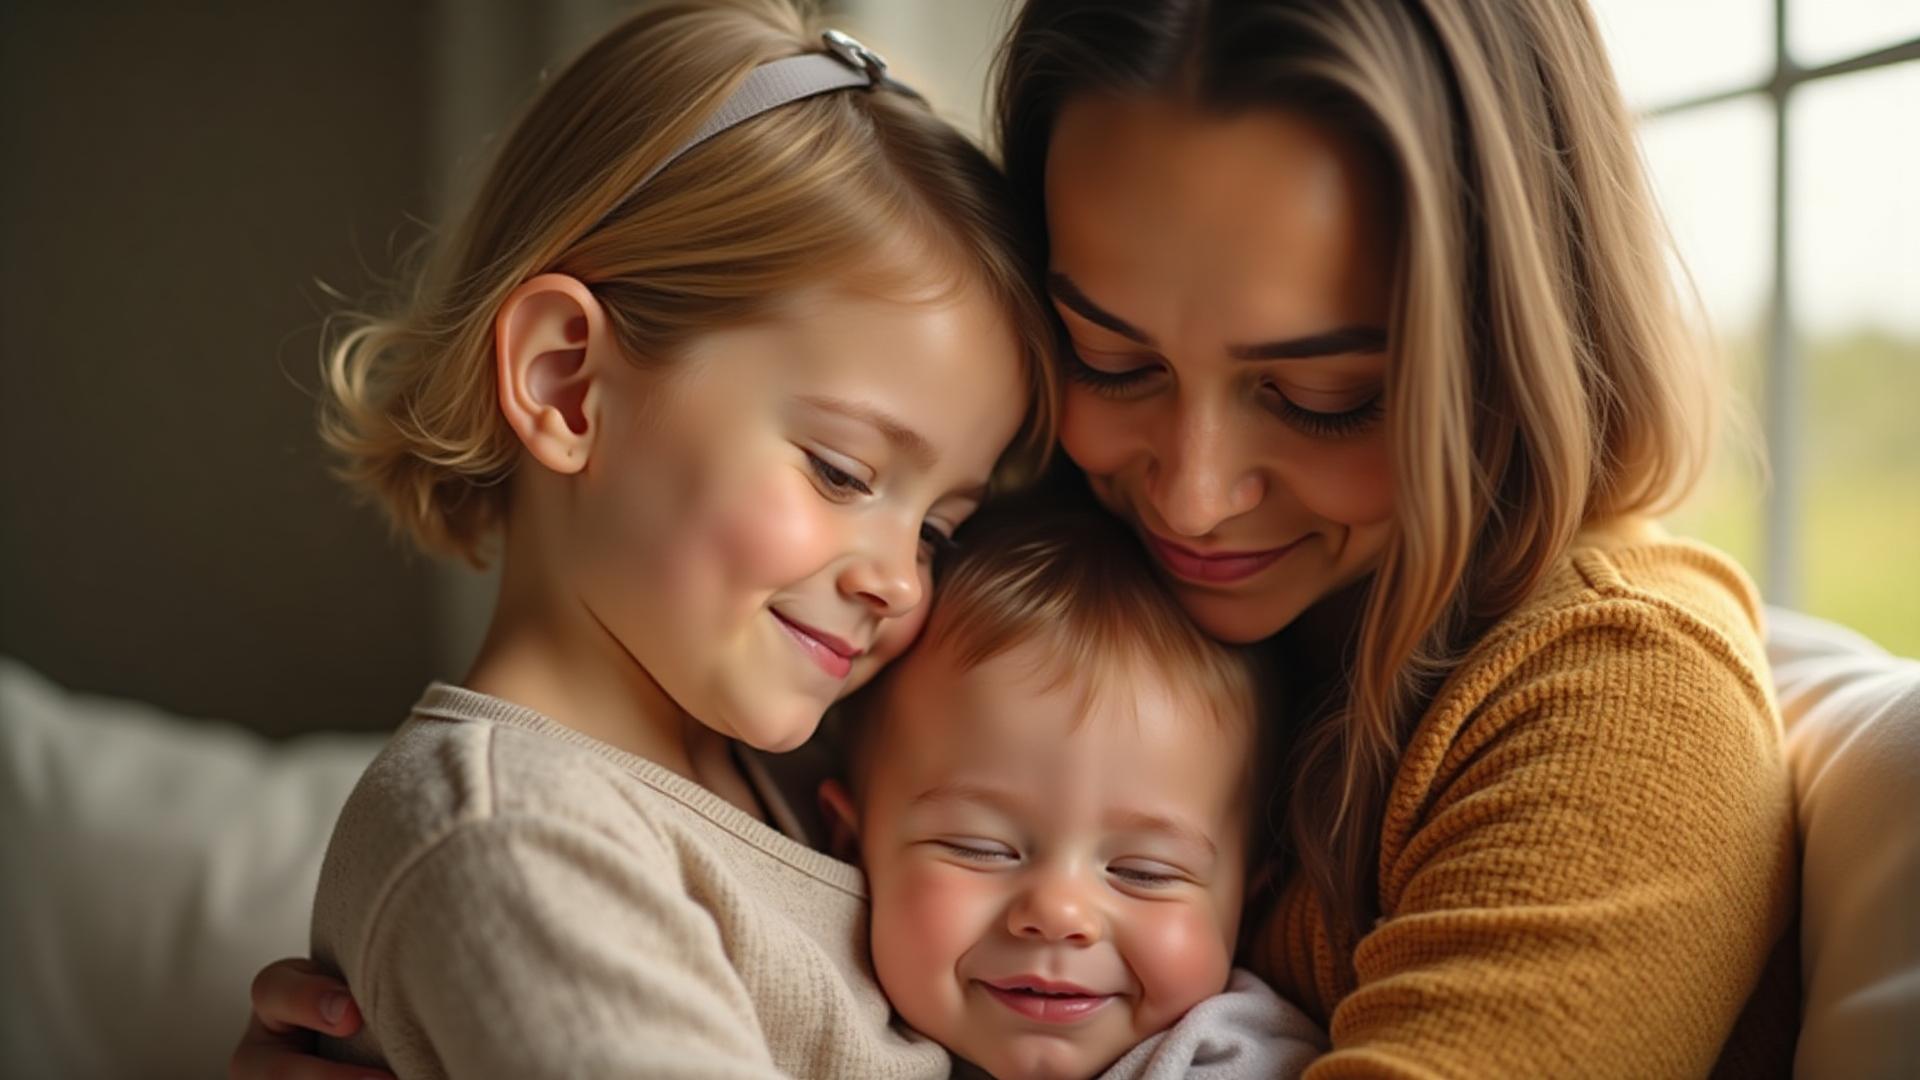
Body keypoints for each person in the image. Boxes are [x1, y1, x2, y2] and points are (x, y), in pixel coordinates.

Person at [240, 0, 1799, 1075]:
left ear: (1501, 352)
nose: (1190, 496)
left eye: (1322, 396)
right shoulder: (910, 640)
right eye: (1112, 364)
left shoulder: (1606, 705)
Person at [267, 0, 1056, 1075]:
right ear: (567, 382)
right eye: (841, 472)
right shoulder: (519, 843)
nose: (902, 585)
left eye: (939, 530)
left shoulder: (805, 778)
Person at [817, 504, 1325, 1079]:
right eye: (980, 849)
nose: (1059, 913)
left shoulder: (1234, 1060)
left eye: (1144, 873)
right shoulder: (810, 1013)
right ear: (851, 847)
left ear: (1246, 910)